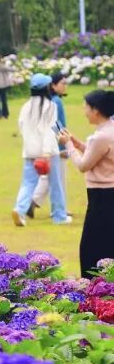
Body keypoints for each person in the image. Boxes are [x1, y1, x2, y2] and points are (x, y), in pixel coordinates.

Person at [59, 90, 114, 275]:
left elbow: (84, 165)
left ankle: (94, 290)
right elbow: (98, 155)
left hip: (102, 197)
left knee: (91, 247)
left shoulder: (101, 136)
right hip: (108, 195)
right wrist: (77, 144)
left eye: (86, 107)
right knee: (107, 241)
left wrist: (68, 146)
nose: (84, 111)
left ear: (96, 111)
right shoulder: (109, 129)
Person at [11, 74, 71, 227]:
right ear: (47, 87)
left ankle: (20, 209)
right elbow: (50, 130)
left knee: (28, 183)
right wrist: (46, 152)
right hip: (49, 152)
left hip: (30, 152)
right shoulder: (50, 106)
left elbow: (22, 127)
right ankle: (59, 216)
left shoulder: (26, 106)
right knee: (55, 184)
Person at [32, 70, 70, 216]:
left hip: (47, 143)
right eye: (62, 83)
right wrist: (64, 144)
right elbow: (57, 124)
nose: (64, 86)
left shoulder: (49, 101)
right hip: (56, 144)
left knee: (51, 177)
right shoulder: (56, 102)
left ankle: (34, 202)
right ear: (53, 85)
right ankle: (35, 202)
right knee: (57, 178)